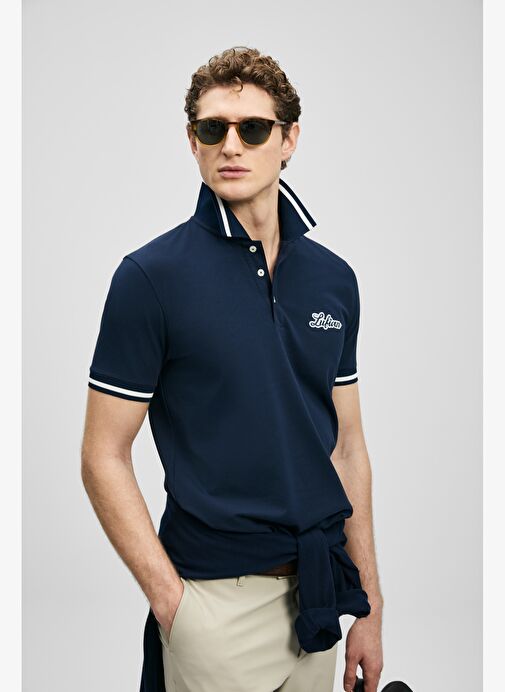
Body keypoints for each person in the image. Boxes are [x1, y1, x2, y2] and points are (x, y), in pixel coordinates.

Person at [81, 45, 384, 692]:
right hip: (212, 604)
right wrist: (174, 605)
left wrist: (369, 606)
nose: (231, 145)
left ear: (289, 139)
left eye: (253, 128)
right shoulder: (150, 278)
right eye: (212, 128)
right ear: (192, 141)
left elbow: (347, 448)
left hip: (320, 599)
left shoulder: (333, 280)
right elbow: (102, 453)